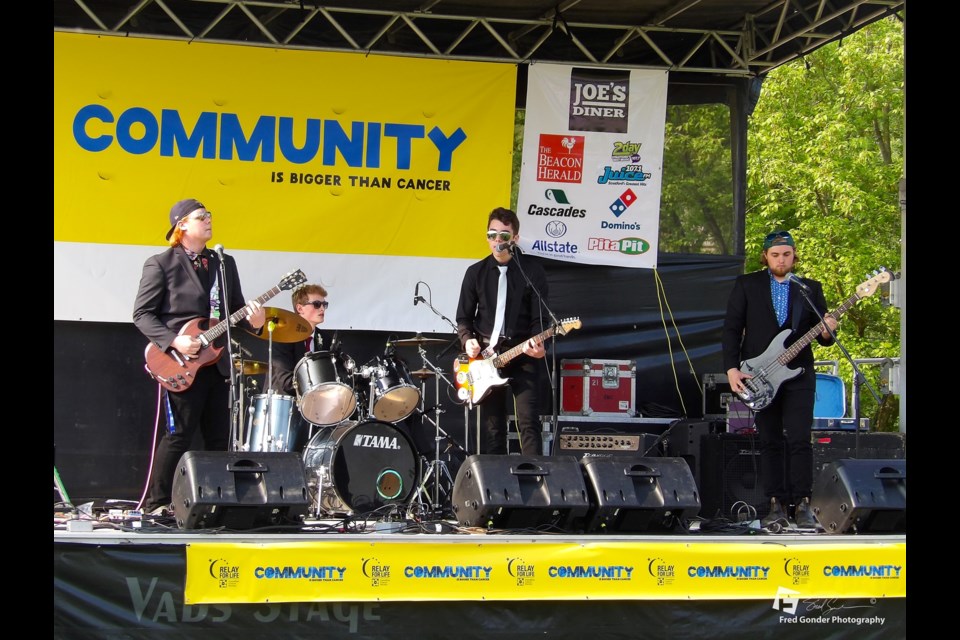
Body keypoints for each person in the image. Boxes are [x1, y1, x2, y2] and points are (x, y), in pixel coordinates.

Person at [133, 198, 265, 514]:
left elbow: (235, 310)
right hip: (181, 362)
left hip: (216, 361)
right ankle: (158, 503)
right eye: (200, 216)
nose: (208, 220)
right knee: (179, 435)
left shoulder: (223, 263)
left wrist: (254, 323)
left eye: (209, 215)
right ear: (181, 224)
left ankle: (217, 501)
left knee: (220, 437)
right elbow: (142, 314)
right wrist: (175, 341)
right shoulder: (161, 263)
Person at [722, 230, 838, 529]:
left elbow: (824, 337)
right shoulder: (747, 284)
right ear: (766, 256)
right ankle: (775, 504)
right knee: (770, 440)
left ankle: (802, 503)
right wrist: (732, 369)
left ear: (794, 255)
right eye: (775, 255)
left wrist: (827, 331)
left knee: (800, 439)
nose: (781, 260)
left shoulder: (809, 288)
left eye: (786, 254)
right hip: (759, 375)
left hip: (799, 373)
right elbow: (732, 329)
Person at [456, 207, 549, 456]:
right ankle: (494, 486)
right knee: (492, 427)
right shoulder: (475, 273)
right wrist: (468, 341)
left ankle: (534, 480)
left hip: (522, 352)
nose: (498, 240)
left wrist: (539, 346)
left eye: (504, 235)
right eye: (493, 234)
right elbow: (463, 318)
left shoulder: (532, 271)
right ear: (487, 238)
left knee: (529, 422)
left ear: (515, 239)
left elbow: (540, 317)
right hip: (486, 356)